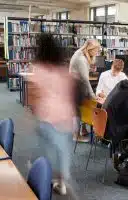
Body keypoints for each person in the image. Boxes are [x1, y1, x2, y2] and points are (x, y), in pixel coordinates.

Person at [29, 33, 78, 198]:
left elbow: (34, 95)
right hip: (67, 115)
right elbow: (72, 92)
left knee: (49, 150)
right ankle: (63, 181)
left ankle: (44, 176)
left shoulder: (38, 69)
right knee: (64, 151)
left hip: (48, 116)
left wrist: (34, 111)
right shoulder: (63, 68)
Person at [69, 39, 100, 142]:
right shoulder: (81, 59)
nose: (97, 53)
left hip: (76, 84)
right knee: (77, 111)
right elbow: (86, 80)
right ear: (89, 49)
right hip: (76, 86)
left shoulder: (80, 53)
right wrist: (92, 94)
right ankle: (76, 136)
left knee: (83, 108)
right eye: (96, 50)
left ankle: (83, 130)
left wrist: (89, 68)